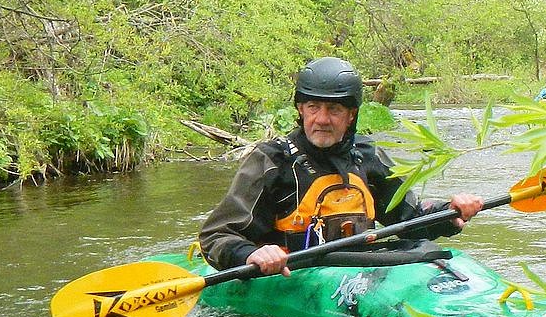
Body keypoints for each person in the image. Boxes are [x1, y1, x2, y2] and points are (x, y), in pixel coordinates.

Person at [199, 56, 484, 276]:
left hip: (360, 269)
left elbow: (409, 221)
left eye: (334, 110)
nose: (322, 119)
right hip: (293, 276)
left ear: (351, 115)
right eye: (313, 107)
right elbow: (216, 236)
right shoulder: (272, 160)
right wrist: (249, 254)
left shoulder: (366, 155)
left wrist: (449, 213)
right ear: (301, 110)